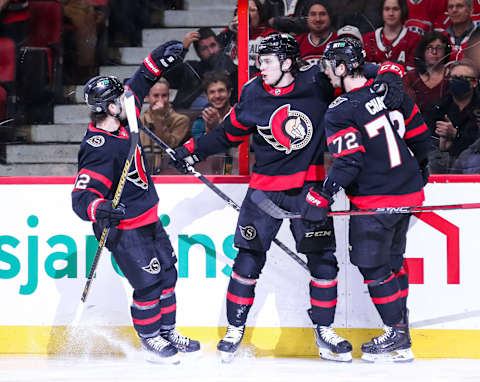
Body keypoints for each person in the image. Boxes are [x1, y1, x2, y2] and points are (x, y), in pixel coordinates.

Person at [169, 33, 405, 363]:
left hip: (308, 192)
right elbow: (228, 133)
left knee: (323, 263)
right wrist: (191, 151)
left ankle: (324, 332)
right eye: (258, 61)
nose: (259, 67)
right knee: (248, 260)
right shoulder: (252, 92)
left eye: (266, 61)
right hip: (263, 193)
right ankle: (235, 330)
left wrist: (391, 75)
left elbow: (359, 66)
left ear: (287, 62)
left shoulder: (318, 79)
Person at [71, 41, 200, 364]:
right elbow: (81, 197)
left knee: (168, 276)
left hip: (149, 219)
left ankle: (167, 330)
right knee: (148, 284)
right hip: (126, 229)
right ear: (107, 108)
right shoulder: (99, 147)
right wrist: (98, 208)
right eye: (117, 100)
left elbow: (138, 83)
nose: (125, 101)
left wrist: (158, 59)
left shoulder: (123, 117)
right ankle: (150, 339)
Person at [306, 38, 431, 362]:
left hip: (376, 199)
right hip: (408, 192)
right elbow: (420, 134)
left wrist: (323, 193)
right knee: (392, 262)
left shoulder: (341, 109)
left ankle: (397, 335)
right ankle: (401, 337)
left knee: (372, 266)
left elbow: (349, 161)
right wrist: (420, 168)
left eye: (331, 65)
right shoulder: (386, 90)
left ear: (344, 67)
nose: (327, 73)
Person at [425, 59, 480, 172]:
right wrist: (442, 146)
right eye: (454, 78)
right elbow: (427, 141)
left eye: (463, 78)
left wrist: (457, 135)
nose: (458, 82)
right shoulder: (437, 109)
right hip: (442, 165)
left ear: (474, 83)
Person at [165, 27, 237, 110]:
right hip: (188, 117)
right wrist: (182, 49)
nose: (211, 51)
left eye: (213, 45)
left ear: (219, 45)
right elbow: (165, 74)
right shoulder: (190, 69)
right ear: (198, 53)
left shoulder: (231, 69)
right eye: (204, 48)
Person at [140, 78, 190, 174]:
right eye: (156, 96)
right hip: (144, 172)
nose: (160, 100)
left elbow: (169, 147)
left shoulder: (181, 120)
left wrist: (158, 119)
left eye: (164, 96)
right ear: (147, 97)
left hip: (169, 172)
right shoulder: (140, 122)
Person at [218, 0, 276, 76]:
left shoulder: (269, 35)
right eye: (242, 10)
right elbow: (216, 51)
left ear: (260, 14)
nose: (246, 14)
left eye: (252, 10)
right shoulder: (230, 32)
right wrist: (230, 32)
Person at [362, 0, 421, 71]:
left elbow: (413, 75)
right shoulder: (367, 39)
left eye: (395, 9)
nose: (391, 13)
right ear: (381, 11)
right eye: (387, 9)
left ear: (403, 10)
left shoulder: (414, 39)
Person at [402, 31, 451, 114]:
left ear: (445, 51)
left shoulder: (451, 76)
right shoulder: (410, 77)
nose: (434, 52)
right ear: (423, 51)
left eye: (439, 48)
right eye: (429, 48)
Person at [295, 0, 337, 66]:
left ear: (330, 17)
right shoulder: (297, 42)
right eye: (313, 14)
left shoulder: (339, 40)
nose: (318, 19)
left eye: (322, 14)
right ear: (307, 18)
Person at [192, 71, 232, 138]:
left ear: (229, 93)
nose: (217, 96)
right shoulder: (199, 123)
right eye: (212, 92)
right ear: (206, 96)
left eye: (221, 90)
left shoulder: (239, 117)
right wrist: (209, 129)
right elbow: (201, 147)